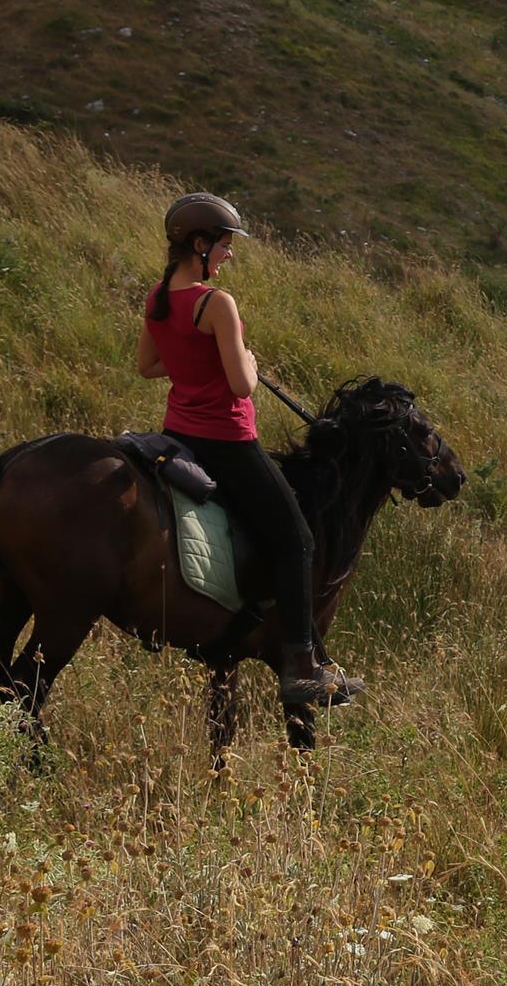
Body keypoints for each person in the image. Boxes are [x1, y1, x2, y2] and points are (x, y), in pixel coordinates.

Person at [136, 192, 350, 711]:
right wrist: (246, 360)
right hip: (227, 442)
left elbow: (148, 365)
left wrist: (197, 361)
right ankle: (301, 665)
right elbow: (242, 387)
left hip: (180, 434)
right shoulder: (216, 303)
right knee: (297, 537)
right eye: (225, 245)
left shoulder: (159, 295)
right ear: (200, 244)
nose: (229, 255)